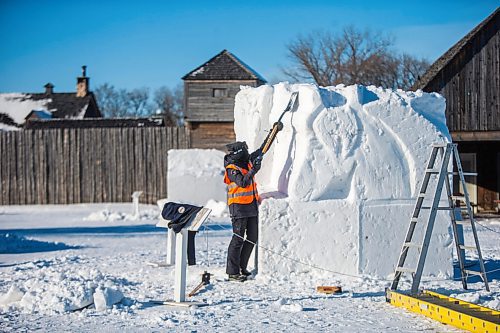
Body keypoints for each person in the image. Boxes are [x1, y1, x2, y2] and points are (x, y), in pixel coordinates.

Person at [223, 141, 263, 282]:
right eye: (244, 149)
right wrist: (254, 170)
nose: (247, 151)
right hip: (238, 207)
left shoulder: (246, 162)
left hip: (251, 205)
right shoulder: (231, 168)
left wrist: (273, 133)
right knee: (238, 238)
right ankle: (232, 272)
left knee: (252, 237)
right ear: (239, 152)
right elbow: (243, 182)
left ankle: (242, 267)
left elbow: (261, 150)